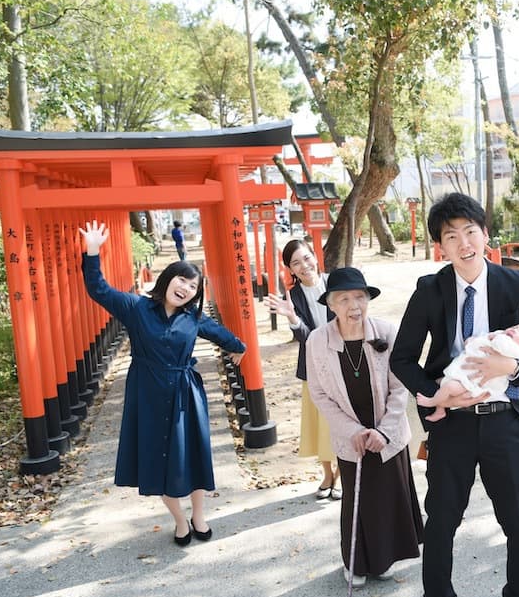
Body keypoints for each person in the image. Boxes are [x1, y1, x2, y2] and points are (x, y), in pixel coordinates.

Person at [391, 193, 519, 597]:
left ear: (485, 235)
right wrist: (435, 393)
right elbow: (402, 358)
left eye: (470, 232)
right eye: (451, 236)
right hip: (451, 422)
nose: (463, 243)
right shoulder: (430, 289)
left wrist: (509, 369)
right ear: (441, 245)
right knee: (440, 520)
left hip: (503, 421)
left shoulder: (516, 285)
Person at [79, 220, 246, 546]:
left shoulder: (194, 318)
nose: (186, 288)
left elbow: (222, 335)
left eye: (194, 287)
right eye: (182, 279)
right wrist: (93, 250)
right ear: (168, 278)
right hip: (147, 394)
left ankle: (199, 515)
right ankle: (180, 520)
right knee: (158, 459)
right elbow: (98, 288)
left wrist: (239, 347)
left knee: (193, 457)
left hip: (185, 394)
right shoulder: (136, 308)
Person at [305, 267, 423, 587]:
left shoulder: (386, 330)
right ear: (331, 304)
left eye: (360, 296)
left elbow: (400, 388)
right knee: (356, 500)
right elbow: (318, 393)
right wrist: (351, 431)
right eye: (344, 299)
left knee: (388, 496)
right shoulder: (317, 340)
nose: (353, 305)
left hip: (388, 434)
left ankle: (385, 559)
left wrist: (384, 430)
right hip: (350, 436)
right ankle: (355, 562)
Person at [266, 239, 341, 500]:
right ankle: (327, 474)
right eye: (296, 263)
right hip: (314, 368)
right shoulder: (294, 297)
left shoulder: (336, 282)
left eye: (306, 258)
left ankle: (342, 474)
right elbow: (307, 339)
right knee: (318, 421)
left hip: (344, 364)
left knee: (342, 420)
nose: (304, 265)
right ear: (291, 269)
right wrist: (293, 318)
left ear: (315, 256)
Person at [415, 323, 519, 422]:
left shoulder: (514, 349)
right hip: (464, 373)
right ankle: (440, 409)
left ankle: (432, 402)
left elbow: (502, 345)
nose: (515, 330)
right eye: (515, 327)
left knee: (448, 387)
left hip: (474, 382)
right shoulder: (502, 336)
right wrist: (474, 340)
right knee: (440, 383)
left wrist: (497, 337)